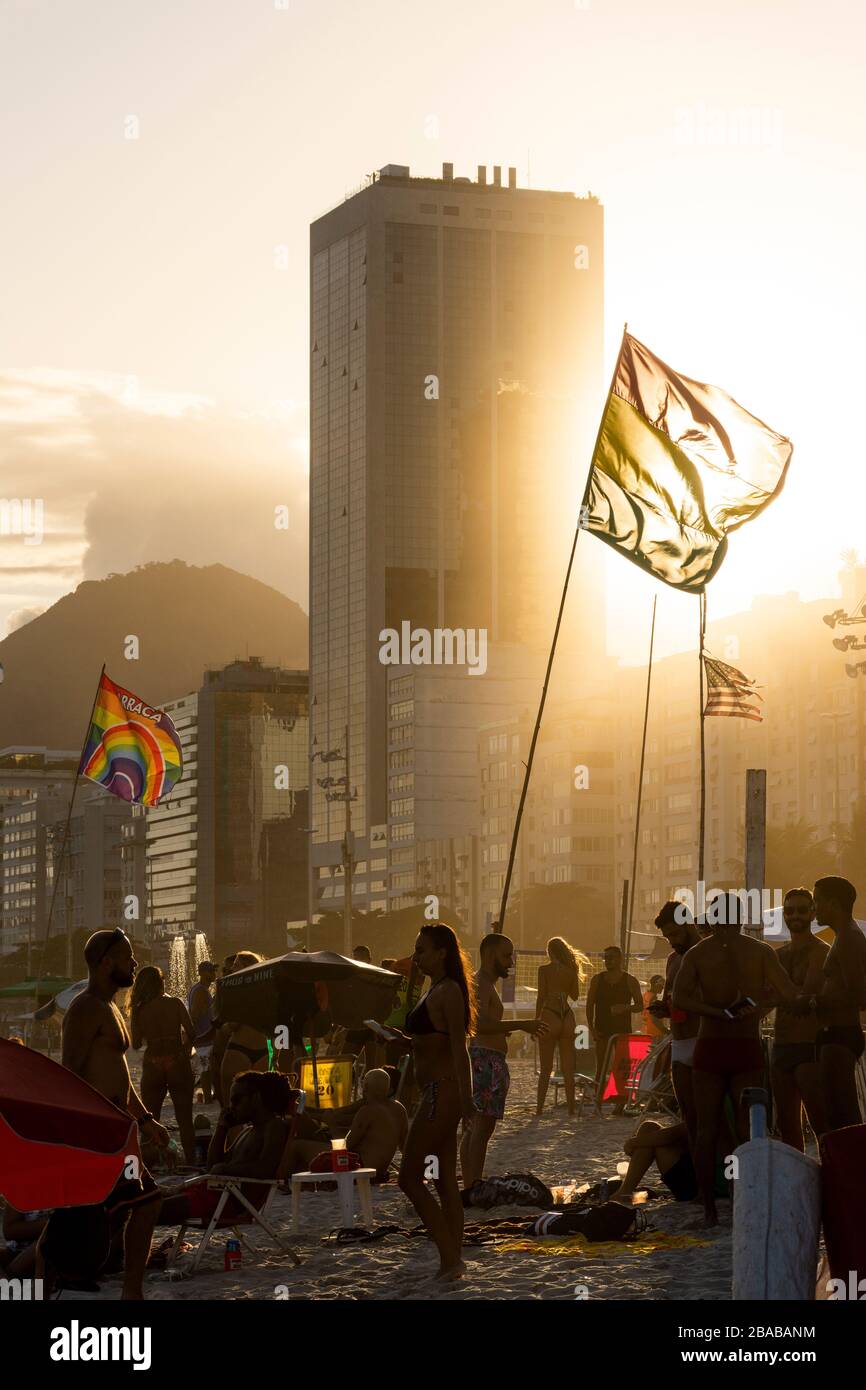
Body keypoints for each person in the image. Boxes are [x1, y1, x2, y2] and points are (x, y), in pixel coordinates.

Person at [37, 928, 169, 1299]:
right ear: (106, 962)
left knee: (121, 1208)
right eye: (128, 957)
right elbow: (72, 1074)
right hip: (96, 1132)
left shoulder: (111, 1006)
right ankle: (129, 1292)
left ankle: (129, 1291)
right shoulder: (84, 1009)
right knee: (131, 1205)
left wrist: (144, 1119)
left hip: (117, 1129)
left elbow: (118, 1076)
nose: (135, 963)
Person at [672, 892, 805, 1226]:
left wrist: (716, 1012)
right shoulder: (759, 952)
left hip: (711, 1044)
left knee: (706, 1129)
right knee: (748, 1131)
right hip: (746, 1045)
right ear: (742, 917)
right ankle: (744, 1199)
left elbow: (680, 999)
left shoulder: (699, 954)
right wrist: (757, 1008)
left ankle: (710, 1210)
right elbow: (789, 994)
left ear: (713, 919)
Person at [396, 923, 476, 1282]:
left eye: (422, 950)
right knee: (443, 1180)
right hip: (435, 1090)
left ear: (442, 952)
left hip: (442, 1092)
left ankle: (450, 1257)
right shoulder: (435, 989)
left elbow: (460, 1049)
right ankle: (452, 1258)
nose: (416, 956)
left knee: (409, 1178)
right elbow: (432, 1041)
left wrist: (468, 1099)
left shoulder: (449, 992)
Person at [157, 1071, 296, 1229]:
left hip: (226, 1201)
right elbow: (212, 1165)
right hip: (215, 1194)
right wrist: (222, 1128)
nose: (232, 1107)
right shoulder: (249, 1131)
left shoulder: (273, 1127)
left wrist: (226, 1169)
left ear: (256, 1098)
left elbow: (265, 1168)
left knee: (151, 1211)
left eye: (237, 1100)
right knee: (144, 1203)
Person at [460, 932, 544, 1187]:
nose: (511, 961)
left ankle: (471, 1182)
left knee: (477, 1129)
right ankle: (473, 1183)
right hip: (485, 1059)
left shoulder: (484, 983)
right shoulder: (481, 983)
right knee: (480, 1129)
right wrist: (523, 1024)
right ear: (489, 955)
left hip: (488, 1058)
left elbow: (485, 1023)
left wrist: (502, 1027)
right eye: (506, 955)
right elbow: (478, 1024)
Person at [770, 888, 828, 1149]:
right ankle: (797, 1184)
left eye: (802, 910)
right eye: (790, 910)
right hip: (782, 1044)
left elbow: (808, 995)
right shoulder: (779, 955)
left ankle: (833, 1180)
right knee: (786, 1125)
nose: (795, 915)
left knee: (820, 1122)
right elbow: (769, 997)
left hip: (809, 1045)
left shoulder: (821, 951)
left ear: (813, 912)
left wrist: (784, 995)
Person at [811, 876, 866, 1131]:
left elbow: (860, 994)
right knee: (834, 1111)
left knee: (842, 1116)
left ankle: (852, 1167)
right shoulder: (843, 936)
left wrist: (814, 1001)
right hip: (833, 1033)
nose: (814, 908)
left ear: (833, 904)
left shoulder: (850, 939)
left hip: (840, 1034)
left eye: (817, 901)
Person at [285, 1068, 408, 1179]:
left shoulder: (367, 1111)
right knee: (314, 1141)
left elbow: (344, 1148)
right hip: (380, 1170)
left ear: (365, 1087)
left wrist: (331, 1124)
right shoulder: (399, 1108)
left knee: (297, 1146)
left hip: (361, 1167)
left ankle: (283, 1181)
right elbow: (404, 1147)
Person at [129, 965, 197, 1164]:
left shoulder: (139, 1009)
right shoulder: (175, 1003)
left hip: (152, 1061)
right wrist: (184, 1051)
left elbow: (135, 1043)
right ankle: (192, 1163)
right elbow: (192, 1033)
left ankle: (149, 1167)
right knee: (185, 1118)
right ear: (161, 982)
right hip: (176, 1059)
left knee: (149, 1120)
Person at [653, 902, 702, 1150]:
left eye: (674, 934)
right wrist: (662, 1008)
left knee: (706, 1114)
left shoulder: (706, 953)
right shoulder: (673, 959)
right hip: (680, 1040)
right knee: (687, 1112)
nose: (671, 941)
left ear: (688, 924)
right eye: (667, 936)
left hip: (703, 1039)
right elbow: (669, 998)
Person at [614, 1118, 731, 1207]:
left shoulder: (715, 1100)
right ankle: (628, 1193)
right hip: (704, 1173)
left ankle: (624, 1193)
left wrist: (632, 1143)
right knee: (649, 1128)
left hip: (708, 1186)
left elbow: (671, 1135)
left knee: (650, 1136)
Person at [586, 945, 643, 1111]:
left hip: (622, 1030)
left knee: (622, 1068)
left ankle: (620, 1104)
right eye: (606, 957)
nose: (608, 960)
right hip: (602, 1028)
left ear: (620, 959)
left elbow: (640, 1005)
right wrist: (592, 1028)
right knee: (601, 1068)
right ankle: (598, 1101)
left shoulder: (630, 980)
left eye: (611, 957)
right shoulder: (598, 979)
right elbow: (589, 1006)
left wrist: (625, 1007)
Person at [535, 937, 586, 1115]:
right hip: (567, 1016)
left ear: (550, 952)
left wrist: (536, 1021)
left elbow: (541, 997)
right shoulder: (571, 971)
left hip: (550, 1014)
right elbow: (575, 996)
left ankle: (539, 1109)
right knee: (568, 1068)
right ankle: (571, 1108)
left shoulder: (544, 970)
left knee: (546, 1068)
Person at [212, 951, 269, 1108]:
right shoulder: (266, 991)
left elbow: (232, 1025)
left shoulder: (235, 991)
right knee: (260, 1111)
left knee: (231, 1111)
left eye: (236, 965)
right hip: (263, 1052)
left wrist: (225, 1027)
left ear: (246, 967)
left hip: (239, 1049)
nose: (231, 970)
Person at [187, 960, 218, 1103]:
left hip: (204, 1036)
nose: (213, 973)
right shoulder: (200, 990)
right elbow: (194, 1015)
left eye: (213, 971)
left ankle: (209, 1096)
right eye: (210, 971)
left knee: (208, 1067)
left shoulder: (201, 989)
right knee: (206, 1068)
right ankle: (207, 1099)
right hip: (203, 1036)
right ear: (201, 973)